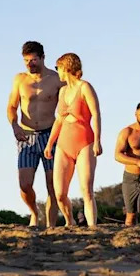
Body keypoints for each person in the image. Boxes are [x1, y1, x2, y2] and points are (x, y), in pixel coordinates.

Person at [7, 41, 69, 227]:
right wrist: (14, 125)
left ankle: (51, 225)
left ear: (42, 57)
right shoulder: (20, 79)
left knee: (53, 185)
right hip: (26, 135)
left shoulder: (57, 79)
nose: (30, 64)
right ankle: (34, 211)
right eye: (26, 60)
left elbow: (68, 103)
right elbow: (11, 106)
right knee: (24, 184)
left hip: (50, 135)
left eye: (33, 59)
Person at [44, 53, 102, 227]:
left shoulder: (85, 87)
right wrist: (50, 143)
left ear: (67, 67)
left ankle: (92, 227)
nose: (57, 72)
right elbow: (59, 120)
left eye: (58, 68)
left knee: (86, 189)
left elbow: (96, 113)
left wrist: (98, 140)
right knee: (59, 193)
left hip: (85, 141)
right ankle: (70, 222)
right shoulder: (62, 91)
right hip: (64, 144)